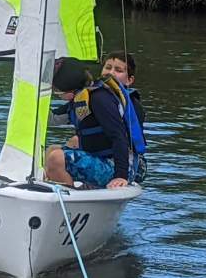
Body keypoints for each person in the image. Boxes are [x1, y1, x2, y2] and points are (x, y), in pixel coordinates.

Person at [44, 52, 147, 189]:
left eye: (56, 90)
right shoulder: (83, 98)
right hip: (106, 159)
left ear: (68, 90)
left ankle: (71, 201)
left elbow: (119, 135)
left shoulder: (99, 99)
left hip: (125, 167)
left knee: (56, 159)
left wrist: (120, 175)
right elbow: (51, 119)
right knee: (52, 150)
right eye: (108, 67)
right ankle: (65, 187)